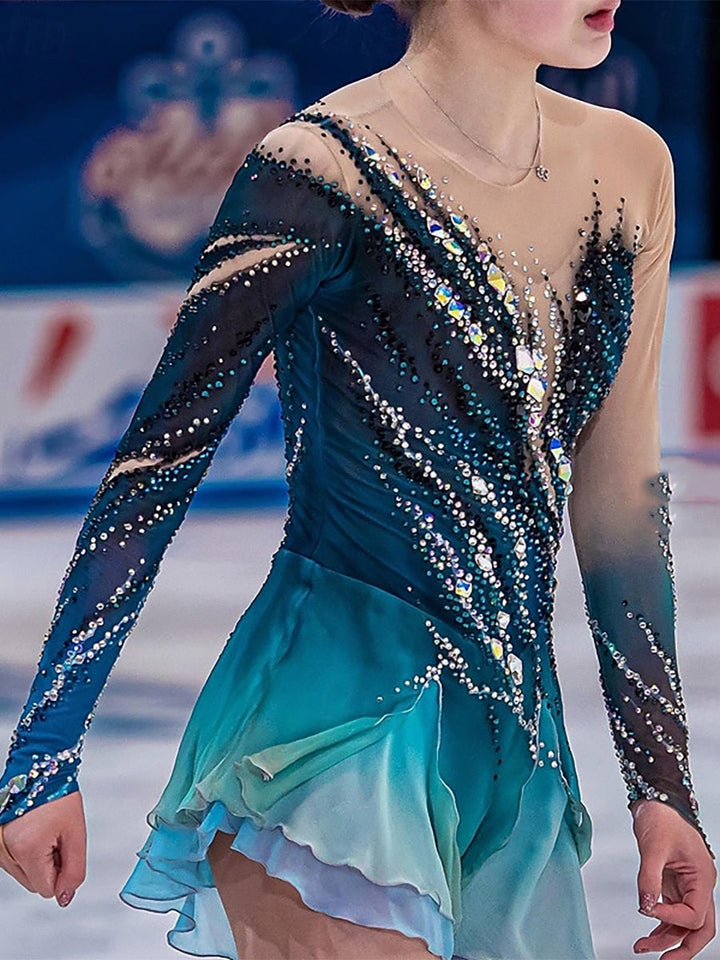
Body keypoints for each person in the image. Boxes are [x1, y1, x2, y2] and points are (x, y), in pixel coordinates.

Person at [0, 0, 716, 957]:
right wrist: (43, 754)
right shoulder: (320, 169)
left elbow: (620, 495)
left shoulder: (632, 169)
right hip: (327, 734)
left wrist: (661, 784)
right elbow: (155, 469)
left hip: (518, 755)